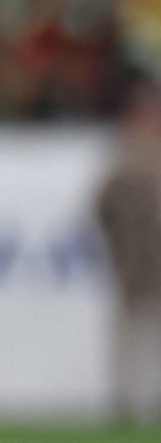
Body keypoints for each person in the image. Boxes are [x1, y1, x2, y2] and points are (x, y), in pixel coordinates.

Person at [97, 83, 161, 427]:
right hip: (134, 264)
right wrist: (118, 246)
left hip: (151, 263)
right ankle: (126, 402)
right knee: (129, 337)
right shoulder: (125, 158)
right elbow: (102, 206)